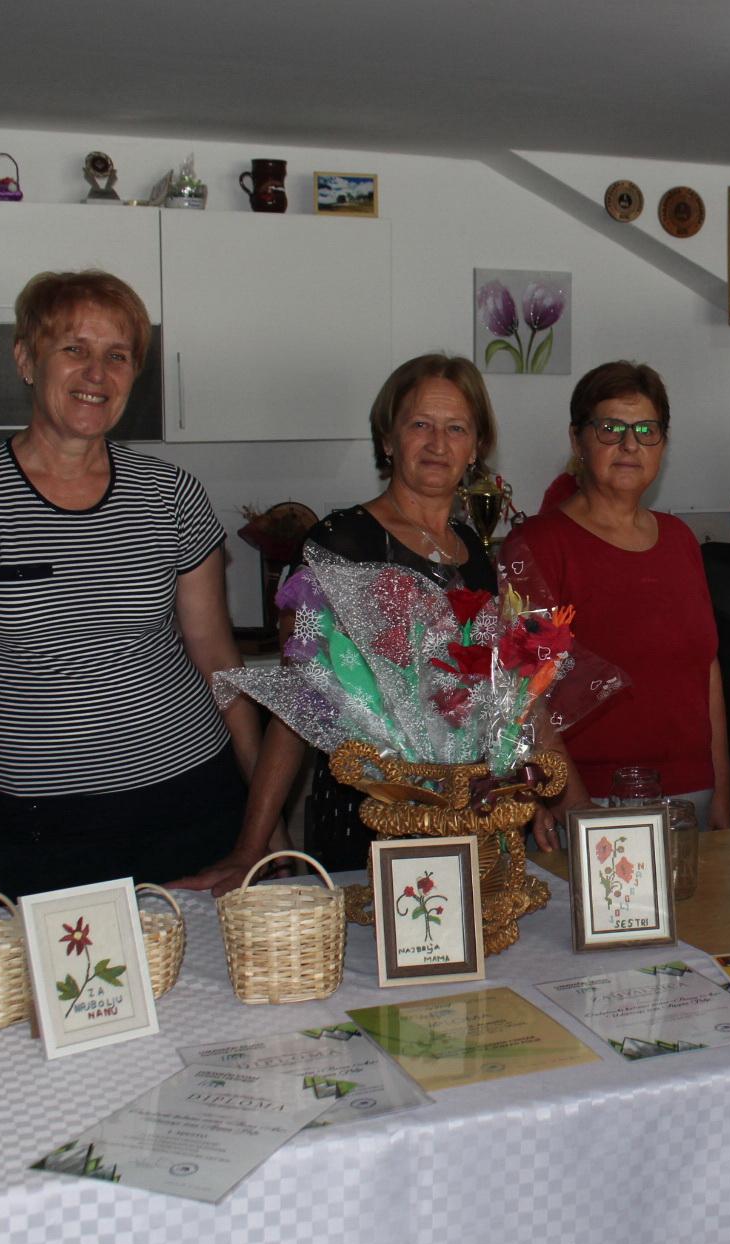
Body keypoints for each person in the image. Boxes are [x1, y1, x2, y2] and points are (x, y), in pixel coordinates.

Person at [0, 269, 263, 907]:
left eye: (117, 356)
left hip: (195, 803)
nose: (97, 373)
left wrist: (263, 819)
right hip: (44, 829)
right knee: (68, 1000)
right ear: (26, 361)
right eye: (75, 349)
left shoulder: (171, 494)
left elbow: (217, 660)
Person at [182, 354, 500, 893]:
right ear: (387, 439)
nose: (438, 443)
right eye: (420, 424)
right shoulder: (339, 543)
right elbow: (301, 700)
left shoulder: (473, 551)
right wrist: (251, 845)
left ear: (475, 448)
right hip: (366, 815)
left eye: (456, 428)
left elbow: (491, 691)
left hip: (458, 810)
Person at [499, 361, 730, 845]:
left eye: (646, 430)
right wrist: (569, 802)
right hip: (592, 799)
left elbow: (705, 669)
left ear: (663, 445)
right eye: (611, 428)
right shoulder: (537, 546)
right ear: (578, 440)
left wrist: (723, 788)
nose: (630, 445)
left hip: (693, 796)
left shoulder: (680, 539)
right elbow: (523, 694)